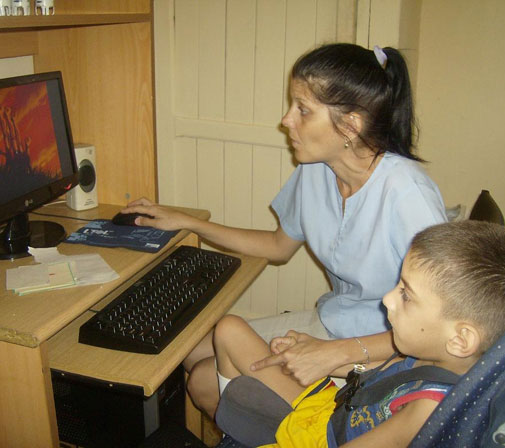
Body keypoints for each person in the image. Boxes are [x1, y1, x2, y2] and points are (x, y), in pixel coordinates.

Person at [120, 43, 447, 416]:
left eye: (303, 110)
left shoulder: (406, 193)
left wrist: (332, 354)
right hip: (334, 320)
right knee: (189, 352)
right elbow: (278, 246)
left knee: (202, 379)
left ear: (350, 125)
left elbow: (438, 327)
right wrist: (189, 222)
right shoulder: (317, 169)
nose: (286, 120)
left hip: (388, 349)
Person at [211, 221, 505, 447]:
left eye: (406, 295)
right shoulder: (427, 351)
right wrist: (319, 357)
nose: (387, 299)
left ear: (461, 339)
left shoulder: (428, 408)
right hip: (332, 405)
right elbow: (370, 376)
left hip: (322, 439)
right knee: (229, 327)